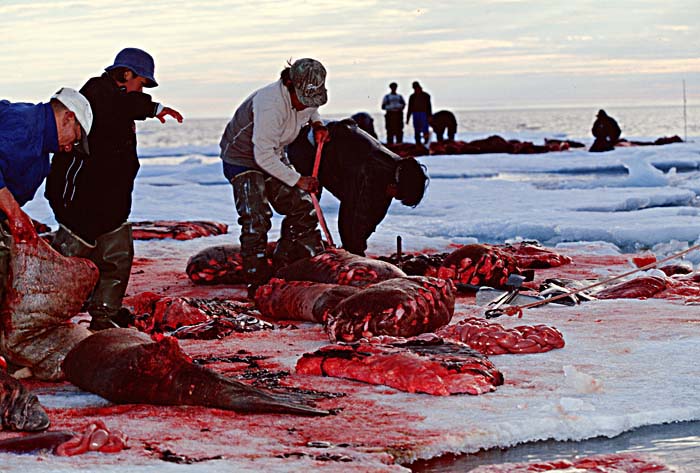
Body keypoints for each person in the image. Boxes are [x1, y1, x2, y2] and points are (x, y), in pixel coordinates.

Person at [45, 48, 183, 331]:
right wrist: (154, 108)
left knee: (117, 259)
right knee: (67, 269)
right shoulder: (96, 92)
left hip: (113, 203)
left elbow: (124, 111)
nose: (140, 90)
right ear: (126, 74)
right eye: (141, 83)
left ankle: (105, 315)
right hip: (79, 204)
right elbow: (120, 105)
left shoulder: (120, 103)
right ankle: (44, 321)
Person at [218, 58, 329, 289]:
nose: (307, 104)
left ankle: (286, 262)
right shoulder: (270, 103)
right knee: (256, 217)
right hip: (243, 159)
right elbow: (263, 156)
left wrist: (318, 125)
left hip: (274, 152)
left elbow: (312, 110)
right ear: (289, 84)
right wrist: (298, 180)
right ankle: (256, 280)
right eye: (304, 99)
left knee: (302, 206)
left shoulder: (306, 96)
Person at [0, 87, 93, 306]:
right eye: (75, 139)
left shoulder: (41, 153)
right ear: (68, 117)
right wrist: (14, 213)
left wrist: (15, 217)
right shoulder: (23, 123)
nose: (70, 148)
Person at [288, 118, 429, 256]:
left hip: (335, 150)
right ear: (397, 185)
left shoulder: (391, 172)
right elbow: (350, 212)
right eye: (398, 195)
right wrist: (354, 251)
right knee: (306, 203)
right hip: (310, 145)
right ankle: (291, 249)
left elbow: (374, 213)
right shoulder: (368, 170)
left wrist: (358, 246)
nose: (394, 197)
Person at [406, 81, 432, 145]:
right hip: (415, 114)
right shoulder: (412, 97)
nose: (415, 89)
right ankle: (418, 142)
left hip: (424, 114)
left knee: (425, 129)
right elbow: (410, 108)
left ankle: (426, 142)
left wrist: (429, 116)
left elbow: (429, 106)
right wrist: (408, 118)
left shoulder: (426, 95)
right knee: (416, 129)